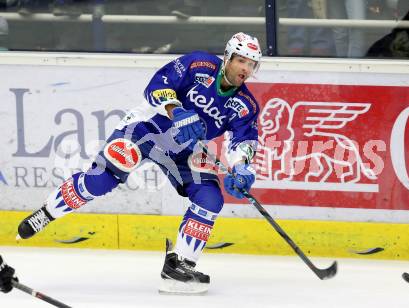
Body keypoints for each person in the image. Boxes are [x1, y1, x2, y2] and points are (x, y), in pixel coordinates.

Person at [17, 32, 262, 294]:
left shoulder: (245, 104)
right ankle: (47, 213)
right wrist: (176, 110)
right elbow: (157, 86)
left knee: (210, 198)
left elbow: (242, 140)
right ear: (227, 57)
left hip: (185, 151)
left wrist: (241, 166)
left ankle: (180, 266)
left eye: (252, 64)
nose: (246, 69)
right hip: (147, 129)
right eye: (241, 61)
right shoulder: (199, 65)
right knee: (101, 179)